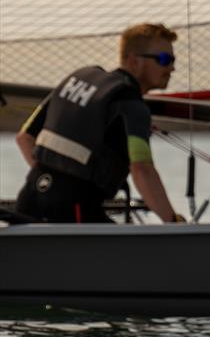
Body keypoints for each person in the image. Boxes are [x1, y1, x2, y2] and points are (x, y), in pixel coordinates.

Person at [15, 23, 184, 223]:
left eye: (172, 60)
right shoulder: (132, 104)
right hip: (74, 211)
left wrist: (51, 182)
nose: (172, 67)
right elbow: (141, 169)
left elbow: (24, 137)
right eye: (164, 59)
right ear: (134, 61)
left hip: (29, 200)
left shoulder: (78, 78)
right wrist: (173, 222)